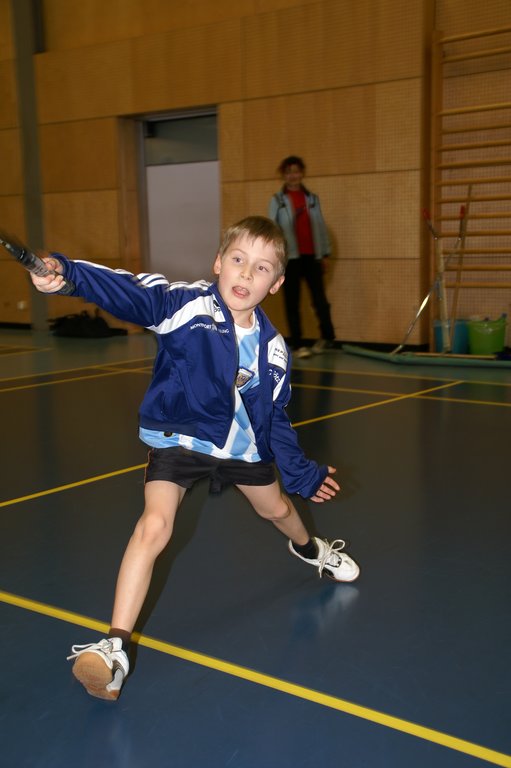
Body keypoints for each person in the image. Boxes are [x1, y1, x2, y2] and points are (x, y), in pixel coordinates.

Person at [31, 216, 359, 701]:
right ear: (218, 263)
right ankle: (115, 648)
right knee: (154, 526)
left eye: (262, 268)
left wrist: (301, 473)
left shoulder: (274, 351)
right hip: (181, 439)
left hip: (241, 449)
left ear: (276, 284)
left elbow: (275, 419)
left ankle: (311, 549)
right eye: (238, 260)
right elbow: (132, 293)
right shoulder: (186, 306)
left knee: (278, 510)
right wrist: (69, 275)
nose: (246, 274)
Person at [268, 155, 336, 359]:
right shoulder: (278, 200)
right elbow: (272, 229)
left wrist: (324, 253)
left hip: (312, 256)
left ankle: (328, 338)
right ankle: (297, 344)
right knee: (292, 301)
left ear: (302, 173)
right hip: (290, 259)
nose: (293, 176)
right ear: (284, 175)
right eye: (289, 172)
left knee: (320, 300)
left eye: (296, 171)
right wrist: (275, 257)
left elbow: (320, 227)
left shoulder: (312, 199)